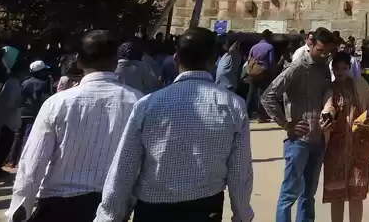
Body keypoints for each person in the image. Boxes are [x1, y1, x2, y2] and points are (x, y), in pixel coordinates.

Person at [94, 27, 252, 222]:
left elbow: (125, 166)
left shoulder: (148, 104)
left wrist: (110, 215)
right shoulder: (234, 106)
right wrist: (242, 213)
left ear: (176, 59)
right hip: (205, 208)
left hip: (153, 210)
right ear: (213, 62)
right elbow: (240, 169)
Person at [7, 32, 138, 222]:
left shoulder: (59, 103)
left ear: (78, 60)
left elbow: (32, 164)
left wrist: (19, 211)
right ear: (115, 61)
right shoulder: (138, 102)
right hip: (112, 208)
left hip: (59, 206)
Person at [261, 27, 337, 222]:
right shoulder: (297, 68)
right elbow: (268, 97)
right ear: (310, 44)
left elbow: (328, 89)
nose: (324, 55)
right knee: (288, 195)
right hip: (298, 141)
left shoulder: (324, 67)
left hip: (318, 140)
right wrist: (287, 124)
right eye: (320, 50)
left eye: (327, 52)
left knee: (308, 195)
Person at [322, 50, 369, 222]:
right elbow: (327, 106)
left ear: (350, 68)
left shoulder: (361, 85)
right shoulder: (330, 88)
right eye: (336, 69)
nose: (340, 73)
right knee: (336, 195)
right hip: (336, 148)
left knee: (356, 193)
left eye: (344, 68)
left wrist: (363, 119)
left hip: (358, 147)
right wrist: (328, 113)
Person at [0, 57, 25, 178]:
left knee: (2, 147)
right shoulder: (15, 84)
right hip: (8, 121)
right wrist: (22, 102)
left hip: (5, 120)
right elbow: (12, 104)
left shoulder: (10, 82)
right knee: (3, 147)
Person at [10, 60, 51, 168]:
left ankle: (12, 160)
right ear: (39, 72)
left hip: (21, 113)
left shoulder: (24, 82)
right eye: (44, 71)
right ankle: (23, 161)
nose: (46, 73)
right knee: (28, 137)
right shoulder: (42, 84)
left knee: (17, 137)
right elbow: (45, 100)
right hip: (33, 114)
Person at [246, 29, 277, 119]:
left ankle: (246, 114)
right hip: (264, 72)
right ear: (268, 37)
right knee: (262, 94)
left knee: (251, 93)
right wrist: (272, 73)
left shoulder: (254, 47)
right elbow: (270, 62)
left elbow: (249, 59)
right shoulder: (269, 47)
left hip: (253, 72)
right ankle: (261, 115)